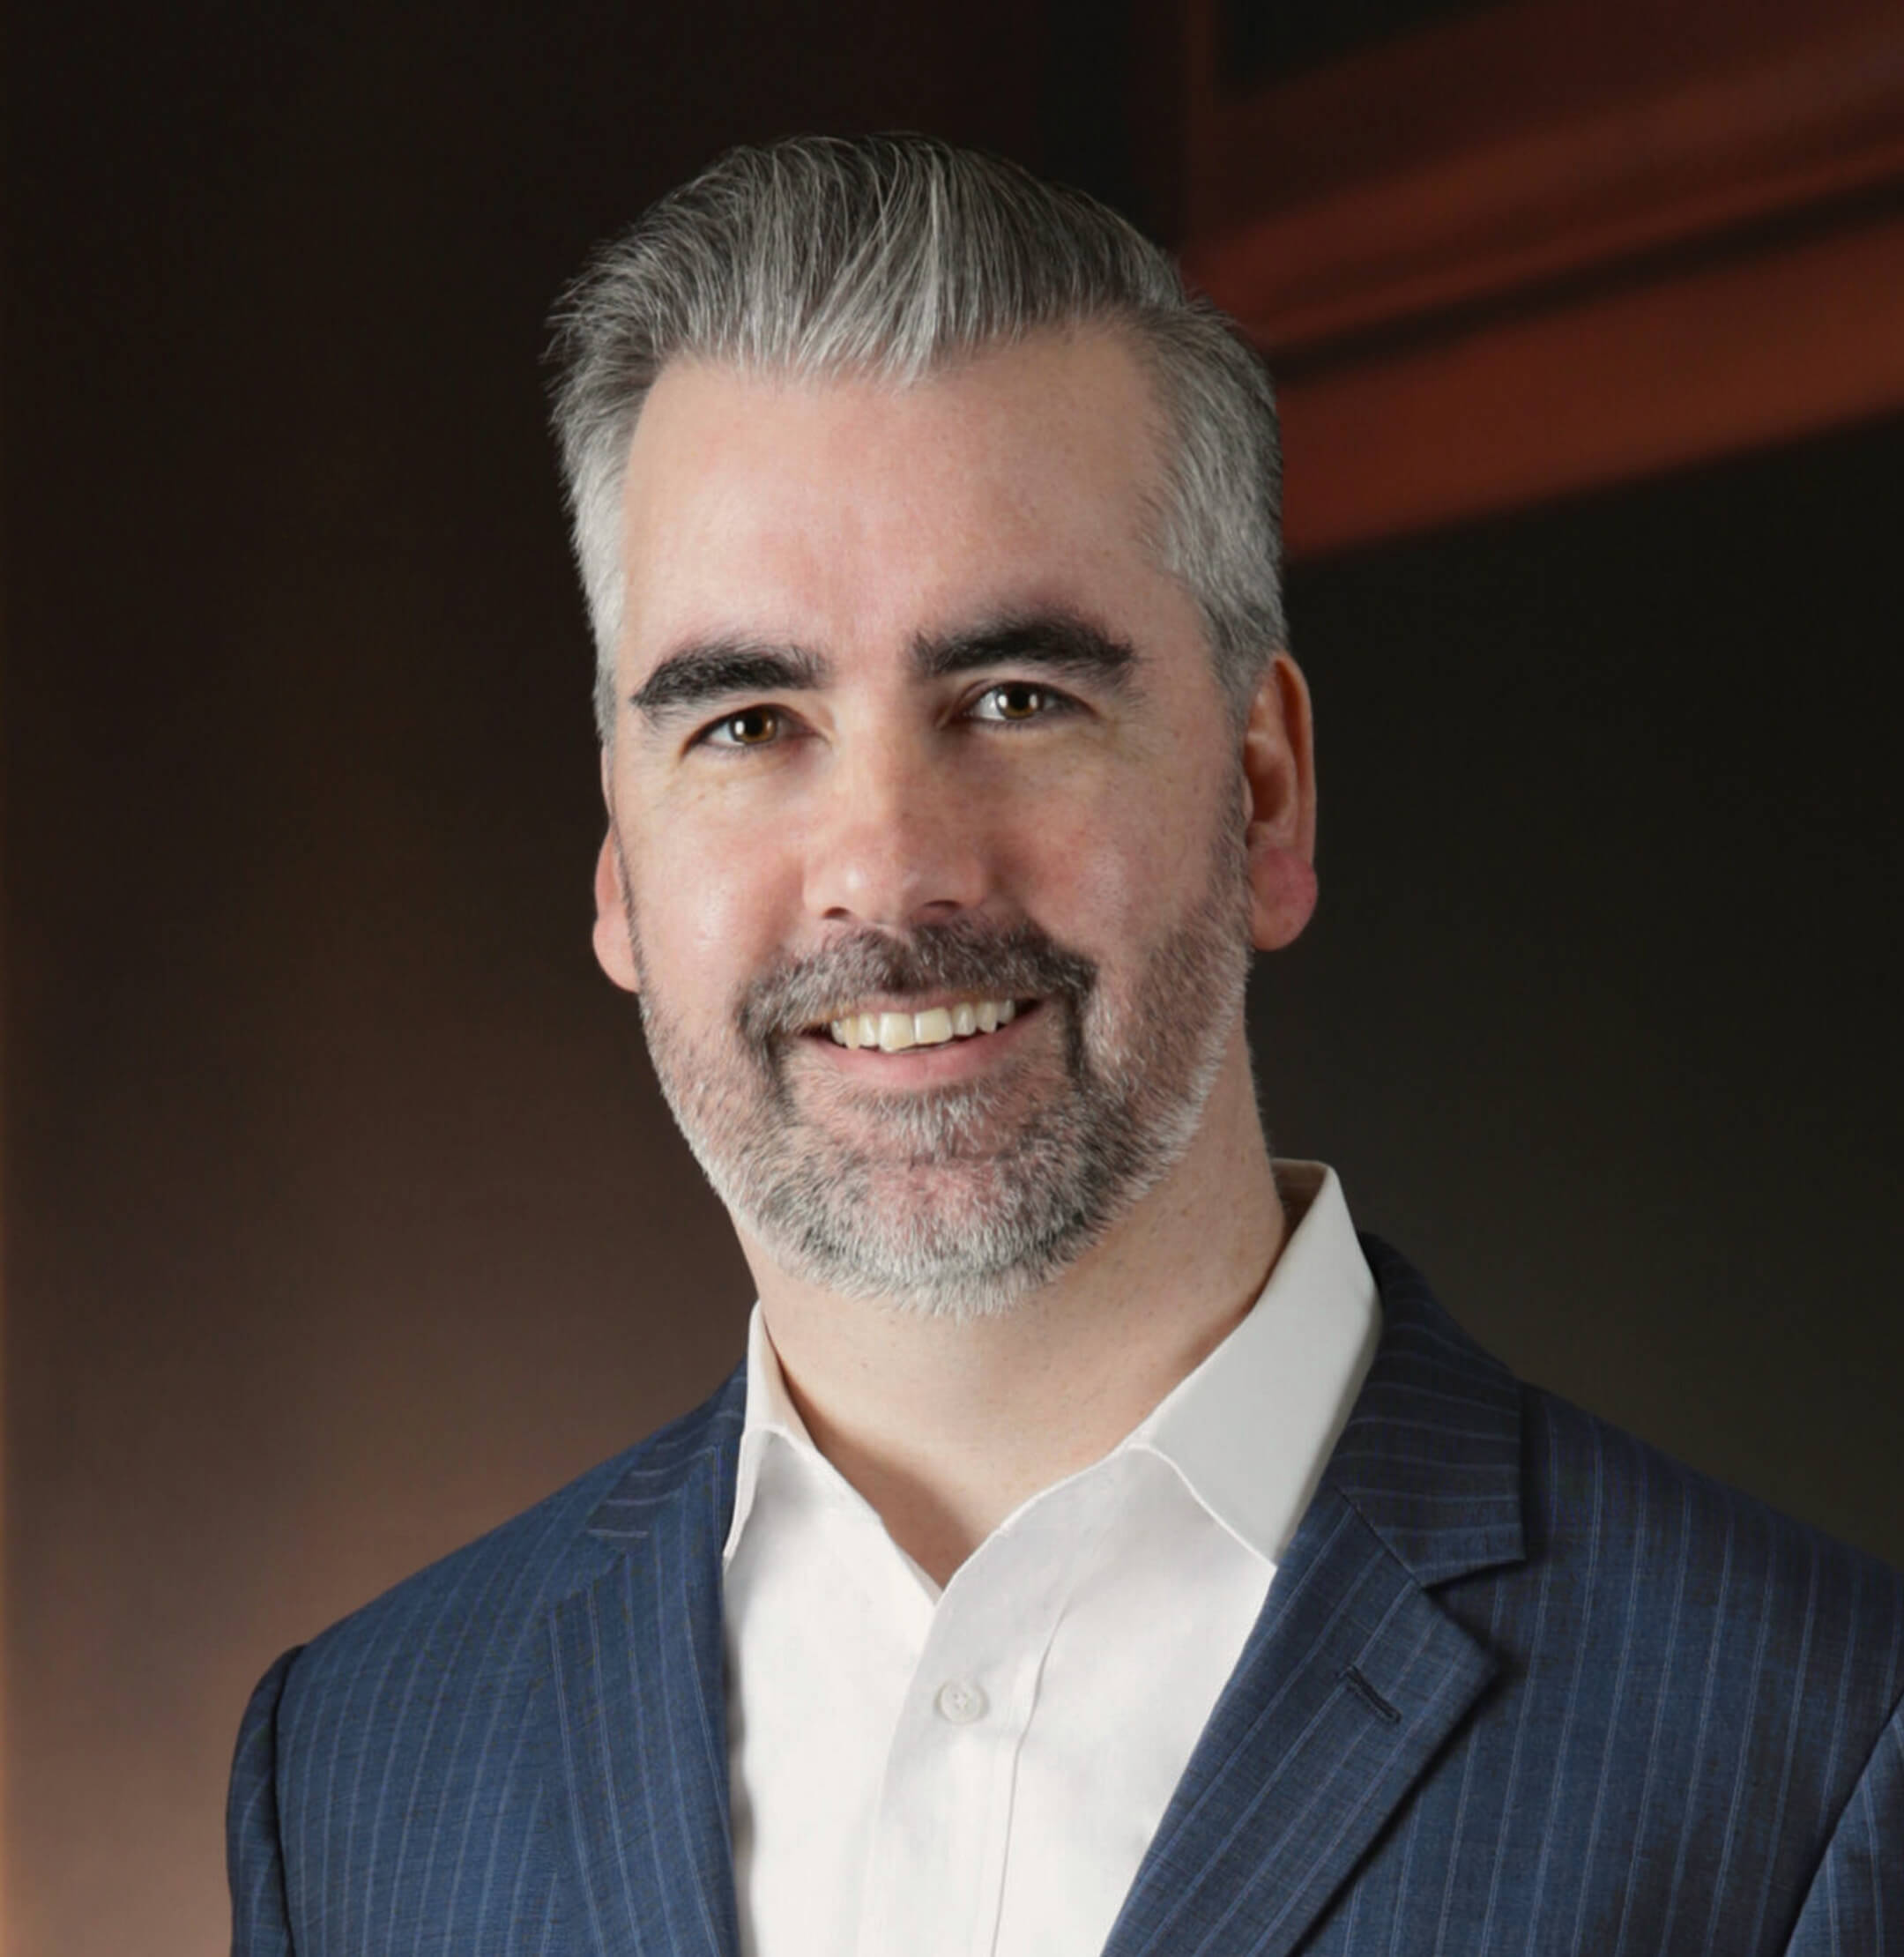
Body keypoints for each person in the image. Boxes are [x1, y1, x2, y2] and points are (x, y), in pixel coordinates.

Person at [227, 135, 1902, 1957]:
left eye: (1017, 700)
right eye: (748, 722)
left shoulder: (1816, 1758)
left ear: (1264, 795)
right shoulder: (359, 1768)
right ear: (622, 868)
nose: (888, 866)